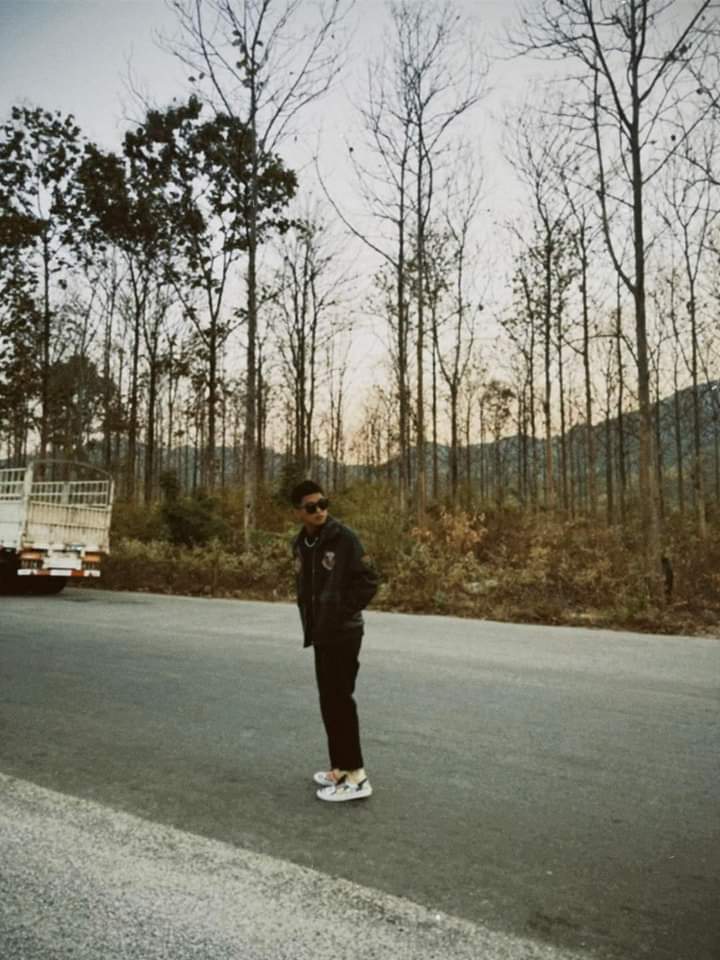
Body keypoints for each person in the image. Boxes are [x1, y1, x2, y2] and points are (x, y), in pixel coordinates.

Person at [291, 480, 379, 802]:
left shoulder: (344, 538)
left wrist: (341, 612)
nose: (320, 511)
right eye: (311, 507)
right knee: (328, 700)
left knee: (341, 700)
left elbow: (370, 580)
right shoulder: (301, 544)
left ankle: (357, 776)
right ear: (299, 512)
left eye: (323, 504)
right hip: (321, 633)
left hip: (344, 632)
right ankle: (340, 768)